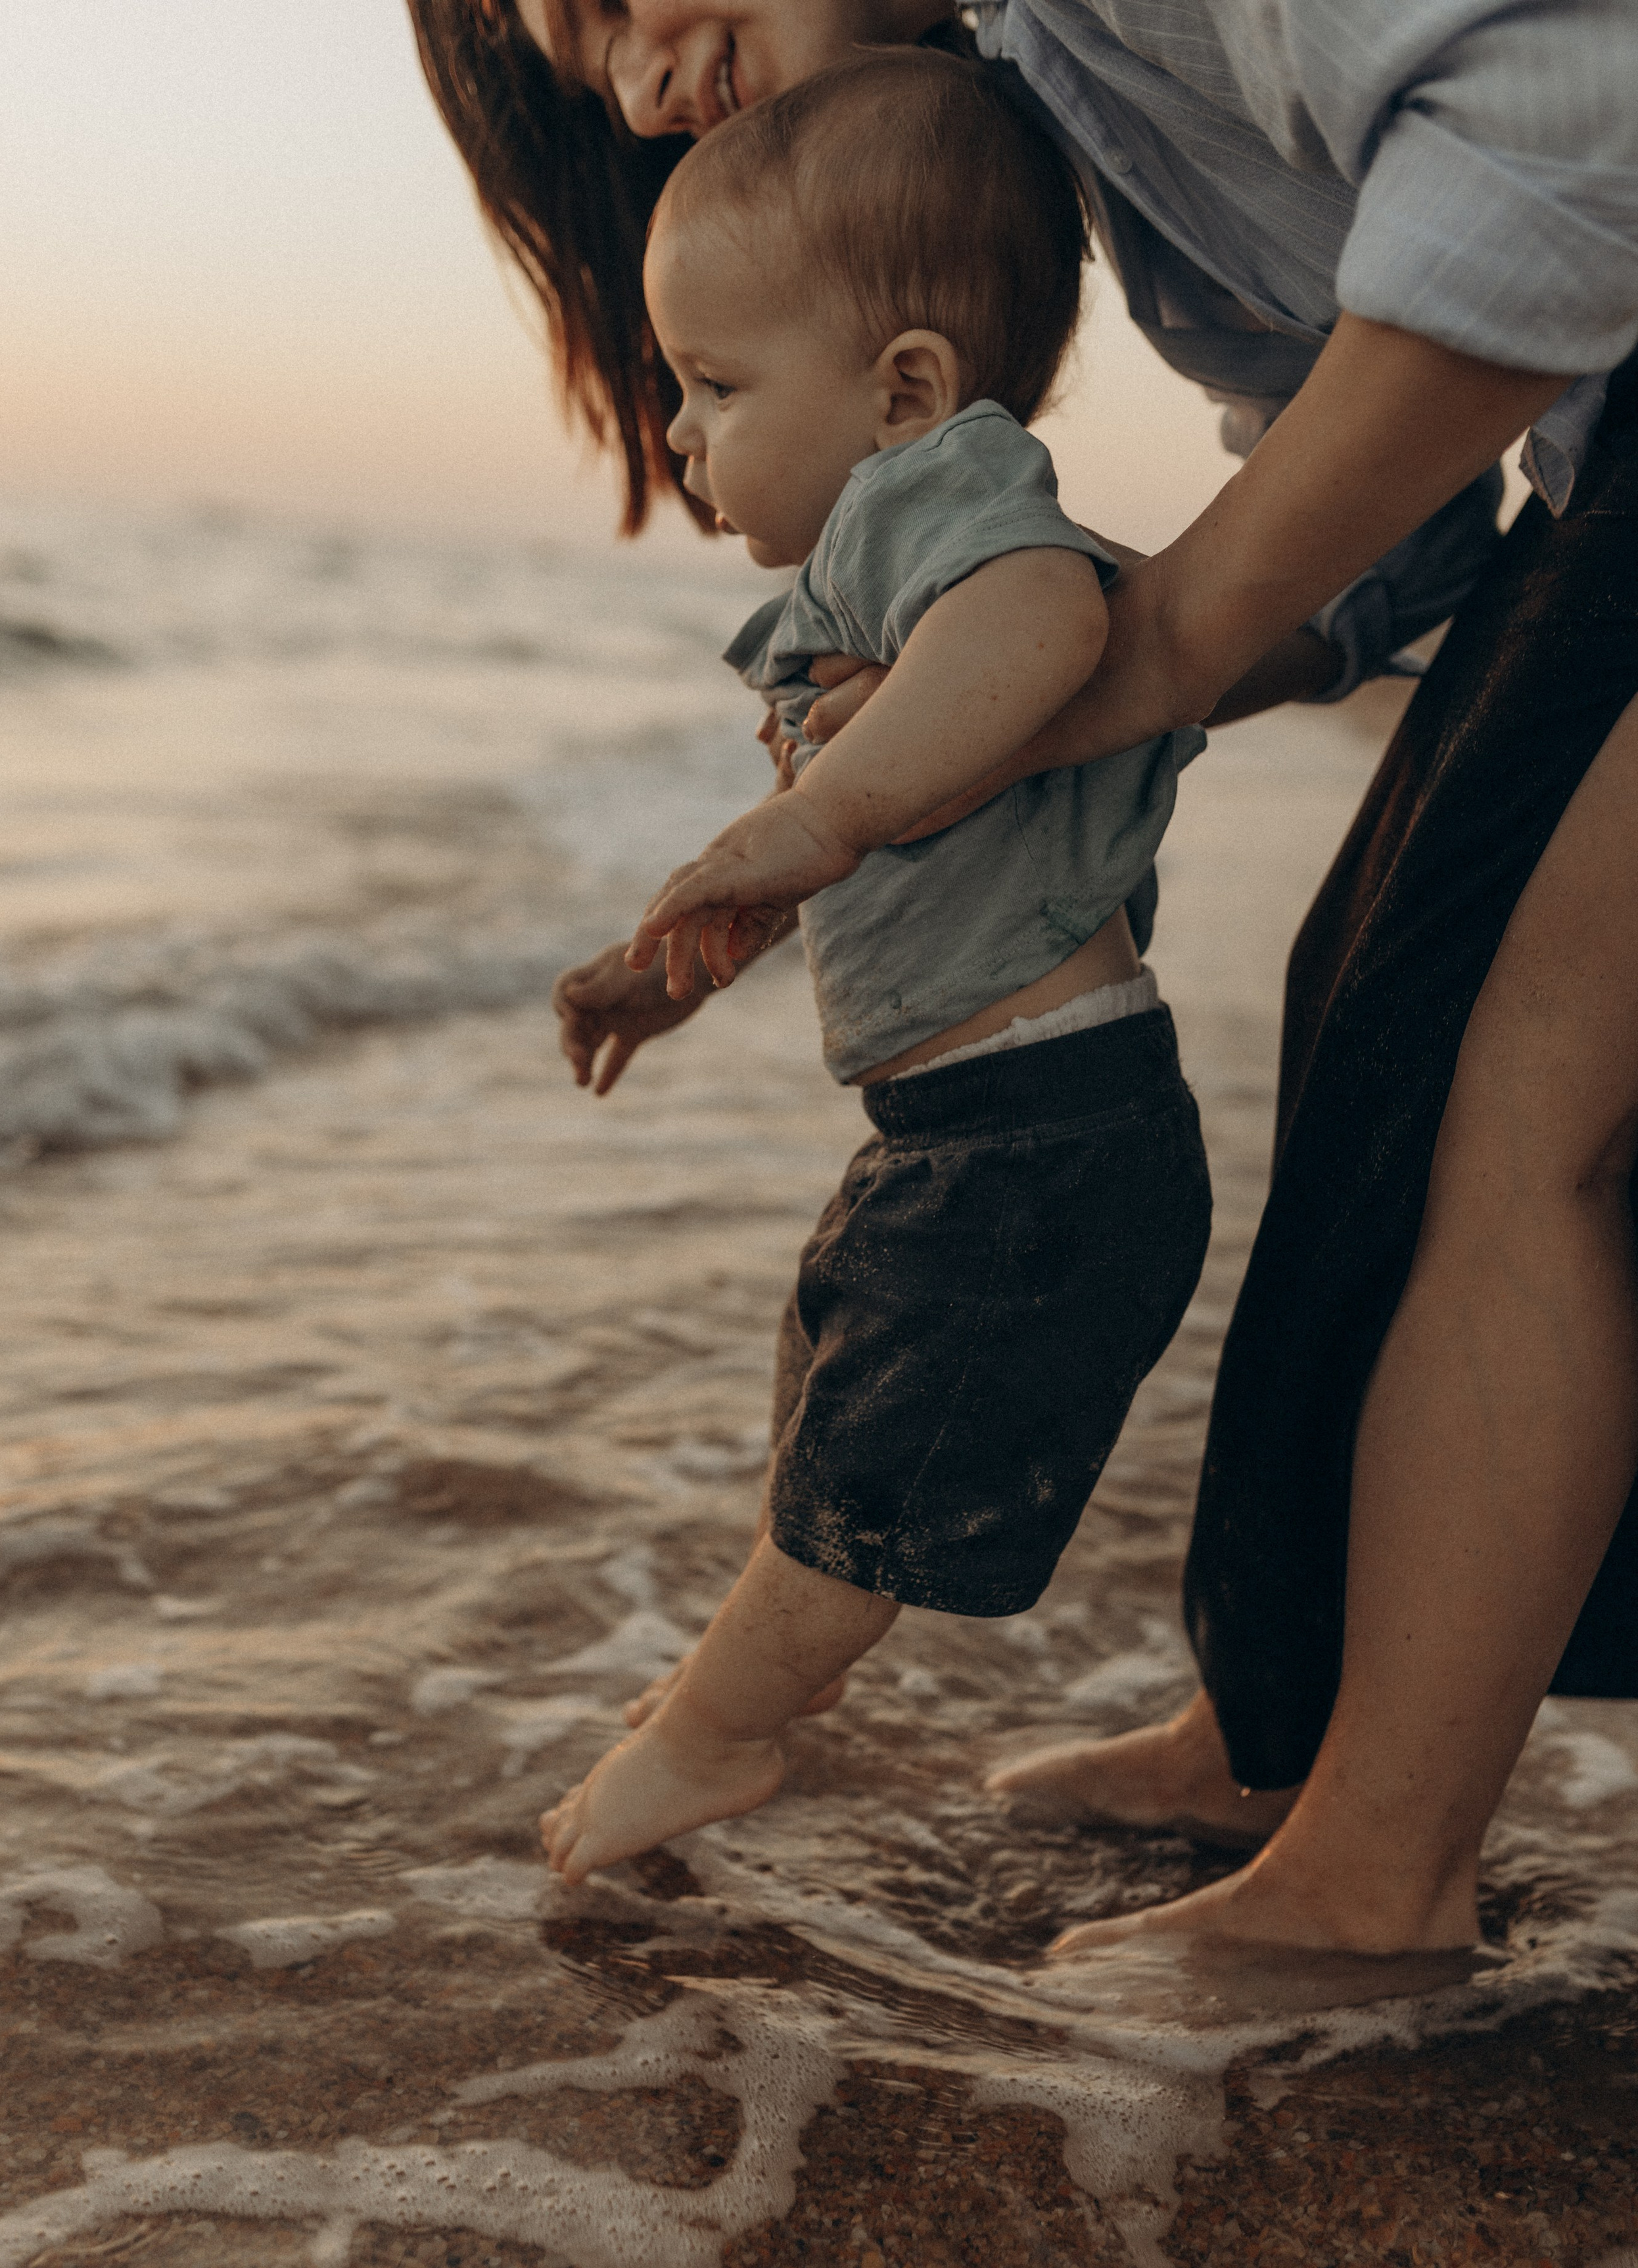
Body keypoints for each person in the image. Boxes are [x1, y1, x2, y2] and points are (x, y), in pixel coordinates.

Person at [411, 0, 1638, 1965]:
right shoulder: (1074, 122)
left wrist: (1135, 655)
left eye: (604, 5)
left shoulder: (961, 449)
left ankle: (1370, 1878)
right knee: (1374, 1035)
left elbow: (1573, 123)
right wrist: (968, 745)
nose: (640, 89)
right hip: (1587, 473)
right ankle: (1283, 1741)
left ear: (899, 383)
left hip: (1038, 1118)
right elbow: (1386, 527)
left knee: (1517, 1102)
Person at [540, 51, 1215, 1883]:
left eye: (716, 385)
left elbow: (1044, 615)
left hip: (1037, 1132)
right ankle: (747, 1697)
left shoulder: (942, 498)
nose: (681, 434)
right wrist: (676, 963)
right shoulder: (871, 573)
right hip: (978, 1131)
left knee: (862, 1474)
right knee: (843, 1427)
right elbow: (855, 834)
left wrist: (820, 818)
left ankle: (718, 1732)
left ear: (904, 388)